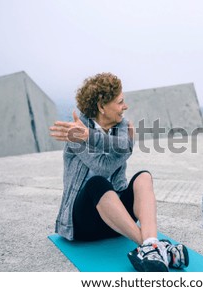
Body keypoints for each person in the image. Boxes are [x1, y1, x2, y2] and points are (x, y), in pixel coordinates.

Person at [49, 72, 189, 272]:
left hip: (117, 223)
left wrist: (97, 138)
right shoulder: (77, 132)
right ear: (101, 107)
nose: (125, 106)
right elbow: (103, 166)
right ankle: (155, 248)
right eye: (120, 102)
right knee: (97, 182)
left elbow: (123, 145)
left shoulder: (121, 125)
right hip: (83, 224)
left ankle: (150, 245)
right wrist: (95, 138)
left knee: (143, 177)